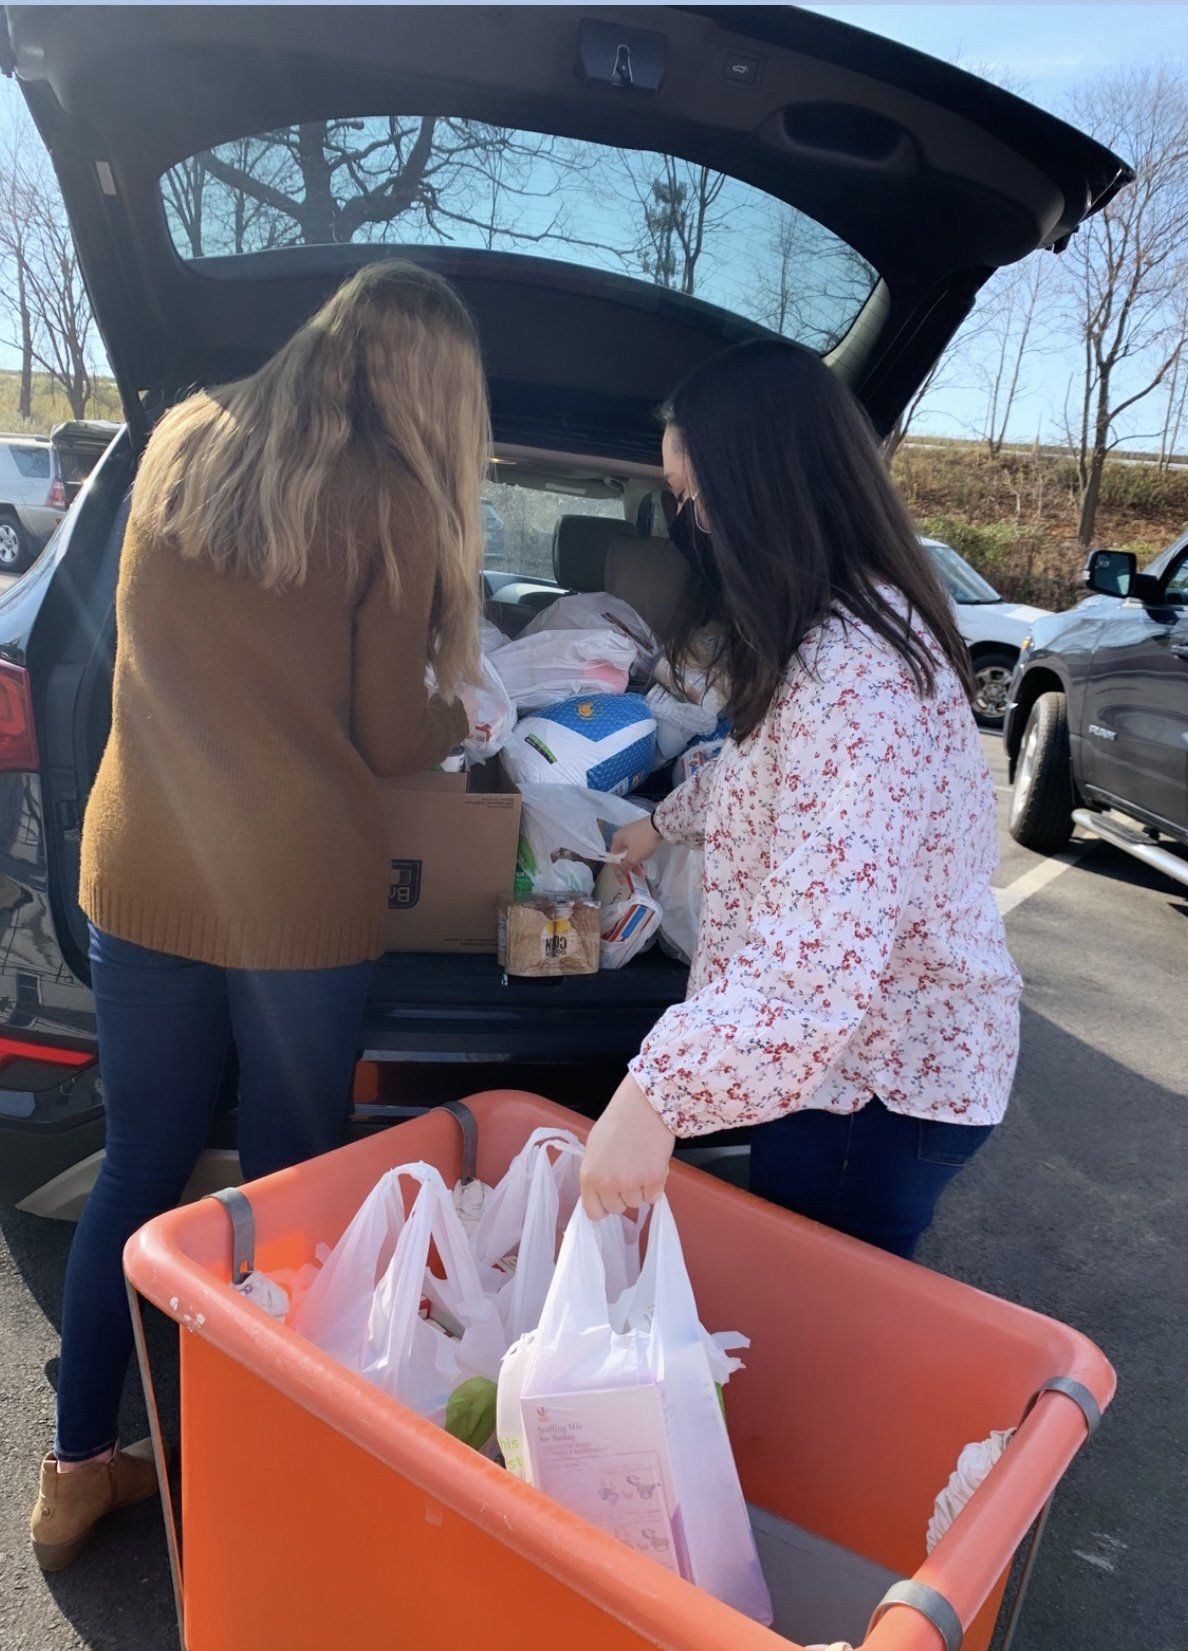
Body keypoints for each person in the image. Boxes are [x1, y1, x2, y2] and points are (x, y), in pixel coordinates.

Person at [30, 261, 489, 1571]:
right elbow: (393, 735)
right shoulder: (391, 499)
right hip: (294, 902)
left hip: (142, 870)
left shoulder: (182, 434)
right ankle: (250, 1475)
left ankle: (75, 1471)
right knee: (289, 1187)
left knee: (140, 1164)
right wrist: (472, 709)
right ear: (426, 386)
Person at [580, 339, 1021, 1256]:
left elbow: (822, 946)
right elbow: (767, 776)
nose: (693, 525)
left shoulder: (854, 675)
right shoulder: (843, 632)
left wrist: (656, 1094)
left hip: (870, 1087)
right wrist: (659, 825)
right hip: (849, 1073)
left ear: (760, 491)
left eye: (694, 497)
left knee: (818, 1319)